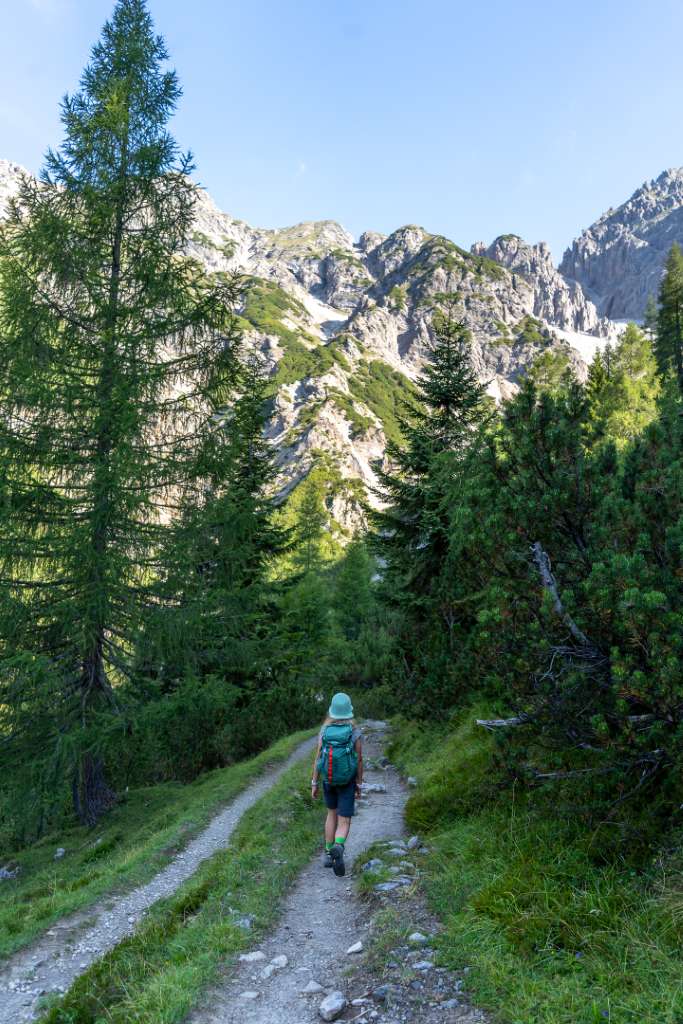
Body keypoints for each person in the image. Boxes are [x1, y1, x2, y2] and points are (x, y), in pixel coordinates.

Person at [311, 692, 363, 877]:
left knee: (331, 813)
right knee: (344, 819)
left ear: (332, 711)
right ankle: (339, 846)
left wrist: (314, 782)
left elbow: (318, 758)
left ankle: (327, 853)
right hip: (347, 782)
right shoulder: (355, 732)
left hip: (328, 780)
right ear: (349, 711)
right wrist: (359, 783)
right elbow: (358, 760)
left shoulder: (324, 731)